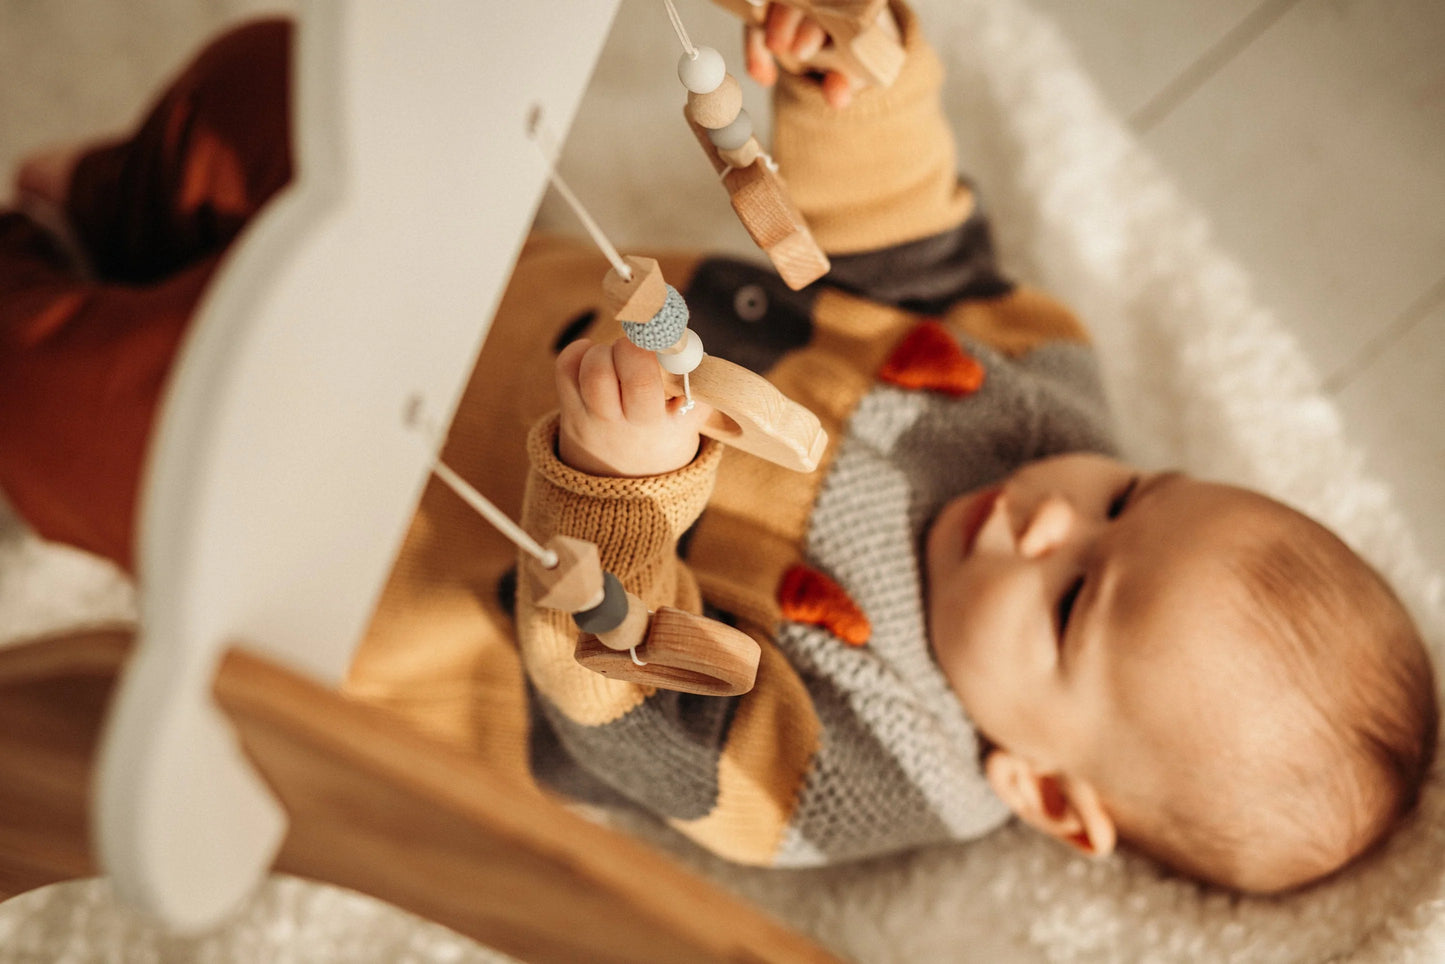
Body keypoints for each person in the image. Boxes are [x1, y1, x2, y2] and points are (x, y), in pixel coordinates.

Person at [0, 5, 1433, 897]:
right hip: (464, 277)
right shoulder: (1042, 396)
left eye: (1071, 603)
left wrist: (620, 498)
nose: (1045, 519)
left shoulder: (859, 769)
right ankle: (112, 212)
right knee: (275, 86)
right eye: (1129, 498)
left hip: (358, 530)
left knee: (72, 410)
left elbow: (626, 707)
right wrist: (853, 85)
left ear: (1046, 795)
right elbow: (905, 233)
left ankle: (39, 282)